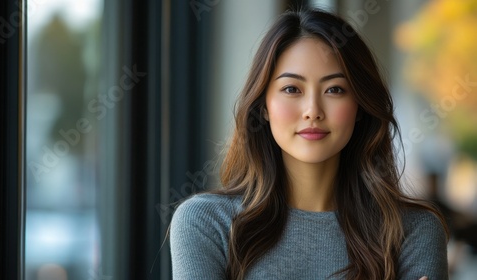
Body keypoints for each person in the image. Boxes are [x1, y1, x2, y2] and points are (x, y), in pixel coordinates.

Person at [170, 8, 448, 280]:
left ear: (360, 106)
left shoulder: (414, 231)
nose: (312, 110)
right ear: (263, 106)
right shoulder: (205, 223)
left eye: (335, 89)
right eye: (292, 89)